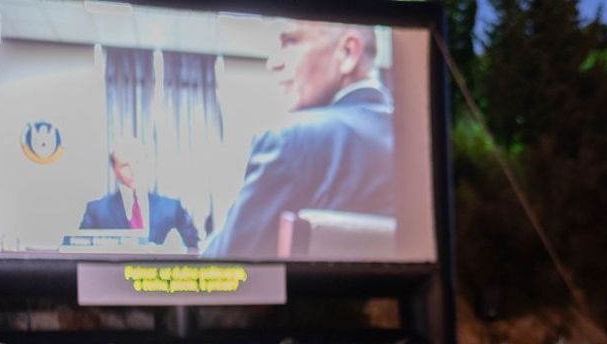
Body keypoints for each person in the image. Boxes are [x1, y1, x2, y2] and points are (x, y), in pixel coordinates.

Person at [203, 21, 394, 260]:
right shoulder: (418, 144)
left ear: (348, 51)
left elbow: (222, 268)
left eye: (290, 42)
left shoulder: (290, 141)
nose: (273, 63)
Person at [78, 140, 200, 249]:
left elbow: (195, 249)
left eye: (138, 162)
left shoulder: (172, 209)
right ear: (114, 170)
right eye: (125, 165)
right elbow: (81, 250)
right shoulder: (98, 211)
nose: (133, 171)